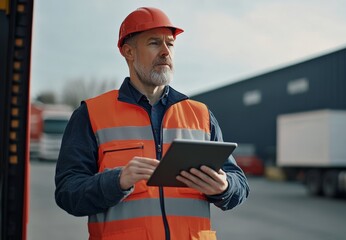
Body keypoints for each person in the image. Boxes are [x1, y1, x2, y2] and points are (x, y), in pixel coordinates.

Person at [54, 7, 250, 240]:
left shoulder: (201, 114)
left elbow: (240, 184)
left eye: (171, 44)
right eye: (155, 43)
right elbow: (68, 193)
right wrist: (117, 181)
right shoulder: (91, 114)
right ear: (129, 52)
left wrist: (224, 187)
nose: (166, 52)